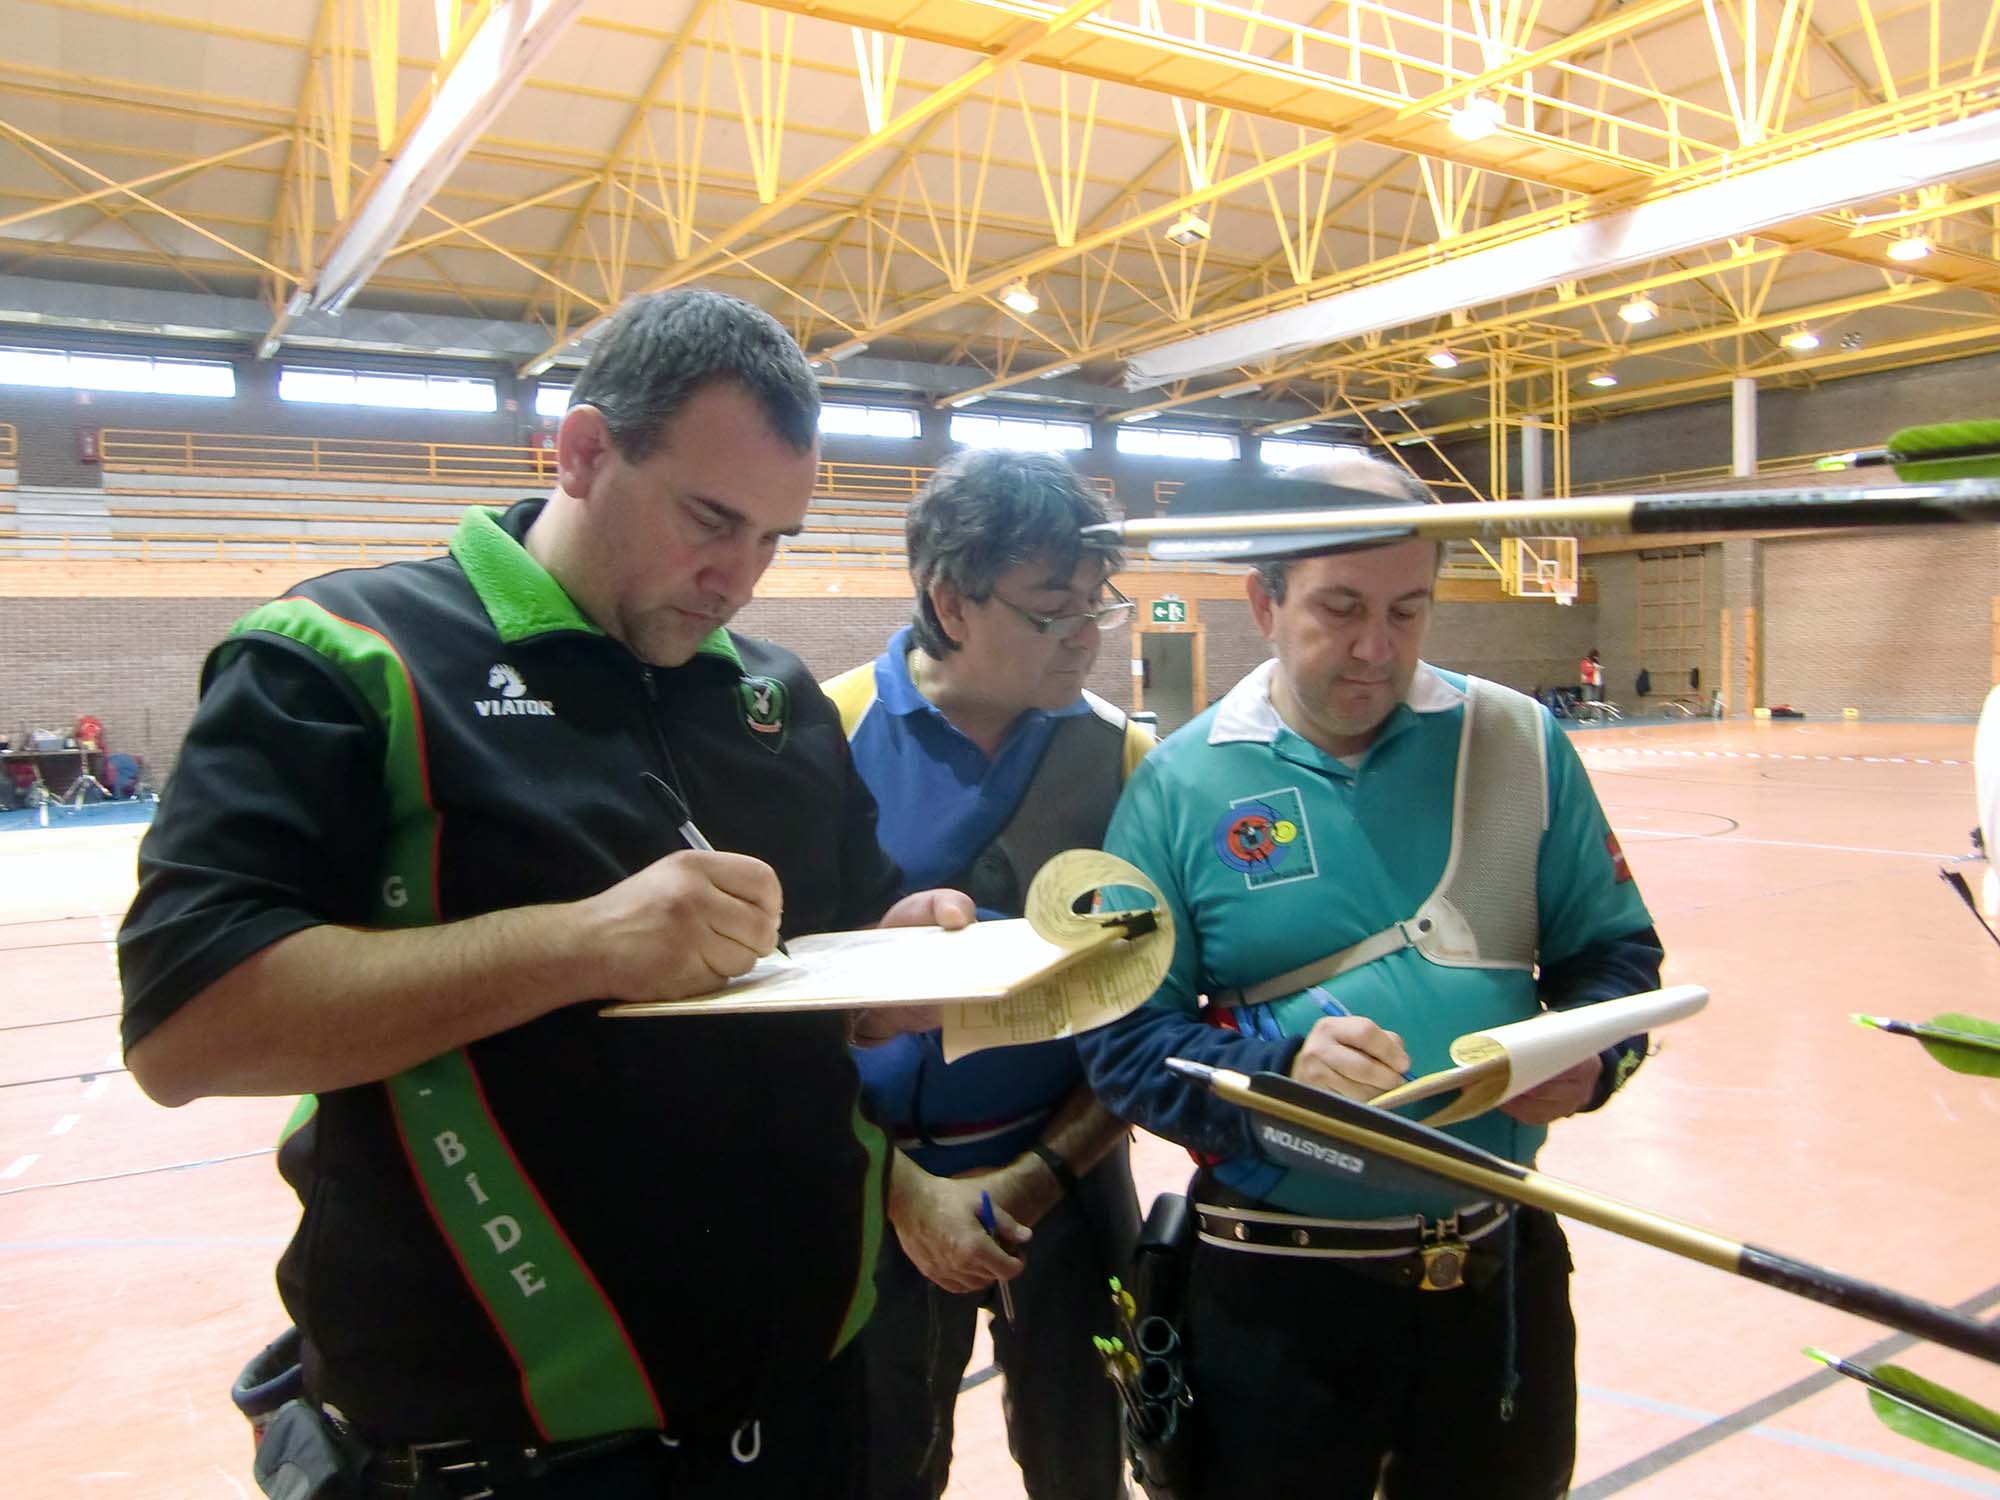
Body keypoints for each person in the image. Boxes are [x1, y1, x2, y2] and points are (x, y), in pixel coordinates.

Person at [116, 288, 974, 1500]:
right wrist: (581, 947)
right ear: (580, 453)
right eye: (710, 519)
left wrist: (905, 960)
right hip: (506, 1457)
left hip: (808, 1416)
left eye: (773, 539)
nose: (736, 577)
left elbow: (831, 975)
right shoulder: (345, 656)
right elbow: (183, 1027)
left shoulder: (772, 698)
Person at [1078, 457, 1665, 1500]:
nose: (1376, 648)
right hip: (1273, 1294)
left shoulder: (1517, 743)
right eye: (1340, 608)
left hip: (1496, 1277)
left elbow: (1614, 958)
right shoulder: (1178, 782)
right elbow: (1121, 1043)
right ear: (1264, 602)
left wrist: (1592, 1055)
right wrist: (1280, 1078)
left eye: (1407, 610)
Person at [821, 449, 1150, 1500]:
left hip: (1069, 1181)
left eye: (1097, 601)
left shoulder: (1127, 758)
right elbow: (761, 1013)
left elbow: (1147, 1012)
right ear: (949, 601)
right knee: (877, 1471)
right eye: (1053, 608)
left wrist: (1039, 1176)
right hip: (868, 1191)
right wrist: (900, 1192)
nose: (1087, 632)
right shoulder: (818, 738)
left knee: (1084, 1467)